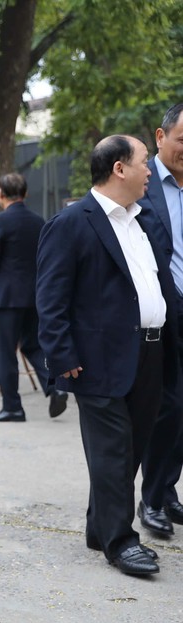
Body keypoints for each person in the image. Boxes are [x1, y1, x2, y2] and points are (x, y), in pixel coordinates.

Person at [37, 134, 177, 577]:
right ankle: (120, 541)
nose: (150, 171)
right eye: (143, 164)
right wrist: (61, 357)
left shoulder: (138, 220)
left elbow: (157, 286)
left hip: (149, 354)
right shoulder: (73, 222)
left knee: (130, 448)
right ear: (119, 168)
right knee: (113, 451)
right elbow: (51, 298)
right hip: (97, 358)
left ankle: (100, 526)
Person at [137, 103, 183, 538]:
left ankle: (167, 490)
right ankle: (150, 500)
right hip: (159, 314)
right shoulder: (137, 182)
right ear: (161, 136)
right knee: (165, 407)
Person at [0, 173, 61, 422]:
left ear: (0, 194)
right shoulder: (39, 221)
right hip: (34, 294)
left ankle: (13, 407)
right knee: (33, 345)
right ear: (25, 194)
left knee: (5, 353)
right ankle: (55, 385)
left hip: (5, 297)